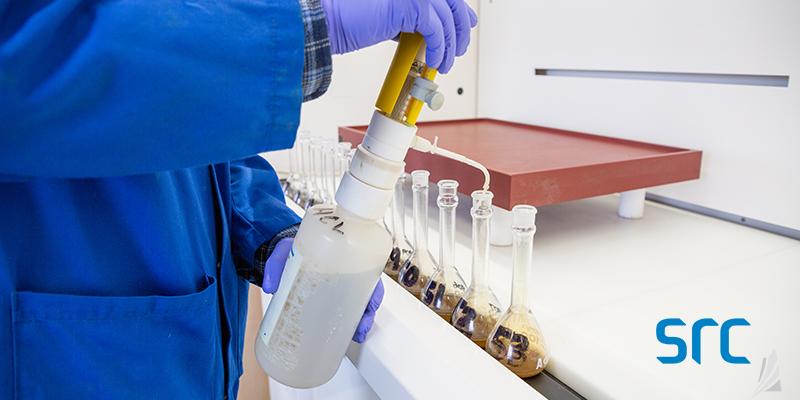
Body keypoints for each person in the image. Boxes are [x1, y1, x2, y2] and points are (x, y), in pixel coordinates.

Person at [0, 0, 477, 398]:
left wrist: (267, 229)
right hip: (66, 359)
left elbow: (198, 143)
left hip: (184, 361)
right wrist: (298, 27)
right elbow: (26, 61)